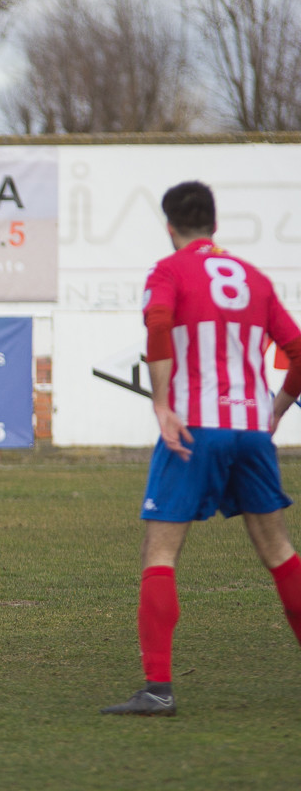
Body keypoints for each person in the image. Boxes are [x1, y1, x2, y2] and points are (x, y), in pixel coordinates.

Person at [102, 181, 301, 716]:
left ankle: (157, 689)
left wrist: (163, 402)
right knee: (279, 551)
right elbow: (298, 349)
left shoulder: (170, 271)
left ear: (170, 228)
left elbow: (160, 322)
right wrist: (277, 409)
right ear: (215, 224)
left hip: (193, 430)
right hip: (251, 432)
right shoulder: (254, 278)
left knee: (160, 553)